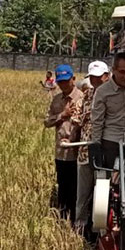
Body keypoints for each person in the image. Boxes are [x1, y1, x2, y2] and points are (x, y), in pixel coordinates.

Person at [68, 60, 110, 235]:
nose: (95, 81)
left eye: (98, 77)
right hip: (85, 150)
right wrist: (71, 141)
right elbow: (77, 121)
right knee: (82, 194)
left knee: (103, 194)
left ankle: (100, 230)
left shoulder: (113, 95)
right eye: (92, 78)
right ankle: (80, 227)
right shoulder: (86, 96)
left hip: (106, 152)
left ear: (106, 76)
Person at [44, 64, 83, 223]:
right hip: (61, 152)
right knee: (63, 186)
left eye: (67, 81)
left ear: (73, 79)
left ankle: (76, 220)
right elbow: (47, 122)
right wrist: (63, 114)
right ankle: (62, 218)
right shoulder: (56, 100)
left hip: (78, 152)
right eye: (61, 82)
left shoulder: (82, 98)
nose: (64, 85)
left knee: (77, 188)